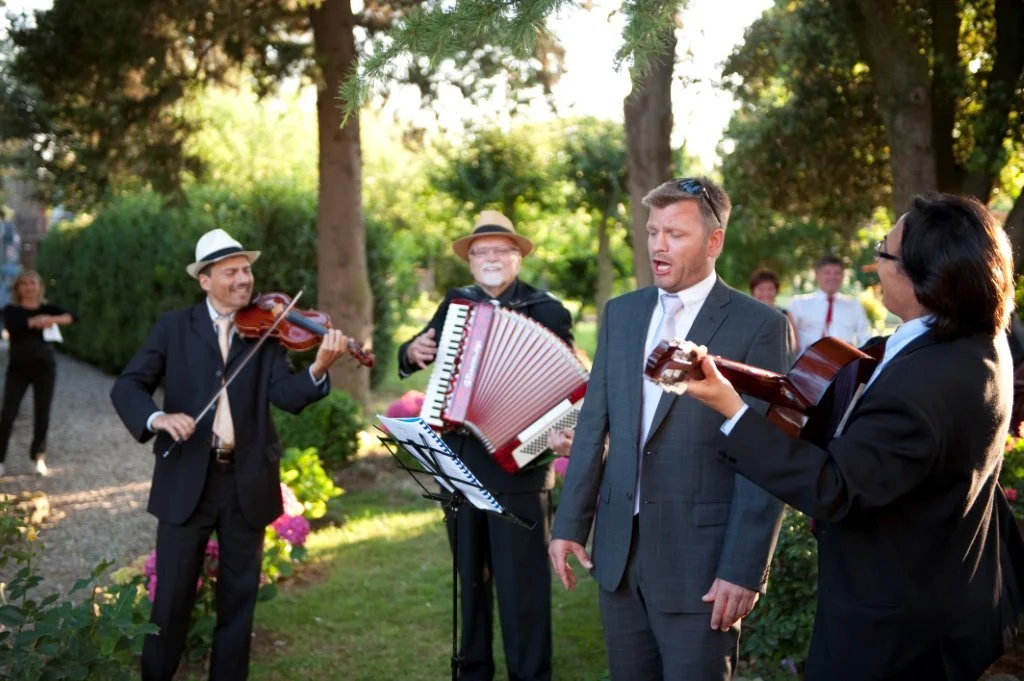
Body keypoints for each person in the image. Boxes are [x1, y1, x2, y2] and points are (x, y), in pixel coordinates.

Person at [683, 193, 1024, 681]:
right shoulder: (980, 341)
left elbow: (835, 487)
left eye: (883, 252)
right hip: (950, 587)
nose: (873, 264)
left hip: (894, 626)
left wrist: (730, 409)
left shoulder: (922, 382)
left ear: (926, 275)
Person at [549, 177, 791, 681]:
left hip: (701, 568)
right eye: (653, 231)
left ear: (714, 241)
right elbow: (594, 424)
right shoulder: (622, 313)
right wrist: (570, 524)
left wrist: (743, 568)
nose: (658, 245)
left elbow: (765, 457)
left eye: (675, 234)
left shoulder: (760, 326)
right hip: (617, 558)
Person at [110, 228, 349, 681]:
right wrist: (156, 419)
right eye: (231, 272)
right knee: (171, 601)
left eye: (246, 270)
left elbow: (285, 394)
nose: (244, 280)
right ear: (205, 280)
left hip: (246, 481)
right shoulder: (174, 327)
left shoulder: (268, 329)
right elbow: (128, 385)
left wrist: (318, 367)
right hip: (187, 482)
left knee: (239, 603)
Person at [398, 210, 572, 681]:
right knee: (469, 587)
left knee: (523, 592)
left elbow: (570, 386)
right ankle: (472, 673)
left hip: (519, 466)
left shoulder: (547, 310)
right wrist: (411, 352)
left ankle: (530, 675)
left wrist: (557, 432)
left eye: (500, 250)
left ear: (517, 256)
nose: (490, 258)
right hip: (459, 464)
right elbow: (417, 350)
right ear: (470, 261)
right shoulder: (456, 304)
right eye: (481, 252)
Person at [0, 270, 77, 478]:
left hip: (45, 367)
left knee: (42, 413)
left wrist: (50, 318)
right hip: (18, 369)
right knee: (8, 413)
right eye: (24, 283)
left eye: (32, 283)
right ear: (18, 288)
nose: (28, 287)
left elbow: (72, 316)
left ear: (39, 287)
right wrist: (34, 321)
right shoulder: (11, 310)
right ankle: (0, 459)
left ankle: (38, 457)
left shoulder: (47, 308)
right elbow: (13, 325)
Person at [787, 253, 871, 354]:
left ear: (843, 276)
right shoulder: (798, 304)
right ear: (817, 276)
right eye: (827, 273)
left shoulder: (854, 306)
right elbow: (787, 340)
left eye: (837, 273)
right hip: (806, 365)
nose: (832, 277)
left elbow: (865, 338)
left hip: (843, 364)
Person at [748, 268, 797, 353]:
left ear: (776, 291)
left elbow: (795, 346)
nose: (766, 293)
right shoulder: (745, 314)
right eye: (761, 289)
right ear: (753, 291)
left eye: (770, 289)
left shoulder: (784, 314)